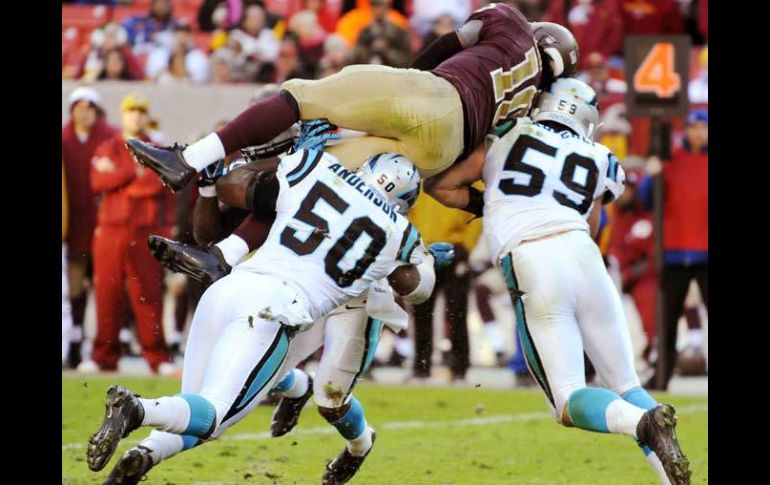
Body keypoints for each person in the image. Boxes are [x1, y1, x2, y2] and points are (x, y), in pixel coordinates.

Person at [86, 147, 434, 484]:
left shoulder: (319, 166)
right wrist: (427, 259)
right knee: (214, 416)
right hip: (275, 308)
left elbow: (250, 187)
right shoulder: (400, 233)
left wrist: (215, 177)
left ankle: (142, 455)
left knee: (194, 407)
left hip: (230, 288)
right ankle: (138, 410)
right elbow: (417, 289)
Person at [430, 77, 691, 485]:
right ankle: (669, 469)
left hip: (534, 257)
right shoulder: (601, 155)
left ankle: (642, 424)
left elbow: (442, 185)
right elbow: (591, 221)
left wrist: (493, 203)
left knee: (568, 398)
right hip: (585, 256)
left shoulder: (508, 133)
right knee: (626, 383)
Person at [126, 3, 579, 211]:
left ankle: (189, 160)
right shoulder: (528, 107)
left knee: (301, 95)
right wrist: (479, 207)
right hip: (443, 151)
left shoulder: (513, 22)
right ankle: (225, 257)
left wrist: (413, 76)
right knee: (315, 177)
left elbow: (450, 41)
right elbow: (461, 173)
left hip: (438, 96)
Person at [77, 94, 176, 375]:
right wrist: (132, 172)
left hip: (146, 230)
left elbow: (158, 188)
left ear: (146, 116)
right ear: (122, 115)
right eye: (131, 111)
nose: (136, 116)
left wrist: (122, 178)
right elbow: (98, 181)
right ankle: (103, 356)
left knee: (148, 294)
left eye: (141, 111)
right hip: (111, 229)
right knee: (107, 292)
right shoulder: (107, 146)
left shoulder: (156, 149)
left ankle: (157, 358)